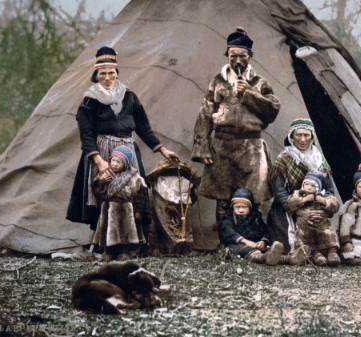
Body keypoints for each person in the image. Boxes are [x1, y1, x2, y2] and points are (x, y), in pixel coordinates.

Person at [67, 46, 178, 232]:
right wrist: (100, 162)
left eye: (111, 73)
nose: (107, 78)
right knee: (104, 193)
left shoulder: (130, 97)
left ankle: (132, 239)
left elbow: (143, 127)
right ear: (96, 76)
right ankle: (103, 241)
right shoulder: (89, 101)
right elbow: (86, 136)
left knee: (133, 191)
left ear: (117, 74)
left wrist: (162, 150)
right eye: (102, 74)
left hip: (128, 152)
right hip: (102, 151)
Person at [192, 27, 281, 223]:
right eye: (233, 56)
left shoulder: (260, 82)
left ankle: (252, 239)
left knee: (251, 196)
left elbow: (272, 111)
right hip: (222, 145)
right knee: (223, 197)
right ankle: (226, 241)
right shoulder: (218, 82)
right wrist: (203, 148)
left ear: (250, 56)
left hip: (251, 147)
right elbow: (205, 114)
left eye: (242, 56)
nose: (238, 61)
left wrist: (249, 93)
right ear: (227, 56)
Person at [267, 118, 334, 254]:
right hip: (288, 209)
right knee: (288, 246)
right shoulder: (283, 160)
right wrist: (297, 209)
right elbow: (279, 191)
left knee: (324, 242)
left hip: (315, 207)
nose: (302, 140)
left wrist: (322, 208)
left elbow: (330, 190)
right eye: (298, 135)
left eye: (306, 135)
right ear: (291, 137)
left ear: (311, 137)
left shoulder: (320, 160)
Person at [218, 187, 305, 265]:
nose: (241, 210)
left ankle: (290, 259)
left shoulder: (255, 218)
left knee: (269, 250)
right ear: (232, 208)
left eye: (244, 207)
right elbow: (229, 233)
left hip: (255, 245)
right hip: (236, 246)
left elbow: (265, 231)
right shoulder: (228, 220)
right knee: (240, 249)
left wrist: (263, 241)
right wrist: (246, 242)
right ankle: (263, 258)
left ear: (250, 208)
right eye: (237, 207)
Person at [92, 145, 146, 259]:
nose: (115, 164)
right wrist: (101, 182)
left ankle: (124, 252)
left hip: (125, 208)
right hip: (108, 207)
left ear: (125, 164)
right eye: (113, 160)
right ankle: (108, 252)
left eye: (119, 162)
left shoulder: (132, 176)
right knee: (107, 229)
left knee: (125, 231)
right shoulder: (105, 173)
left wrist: (139, 211)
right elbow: (97, 191)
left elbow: (140, 195)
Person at [286, 172, 341, 266]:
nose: (309, 187)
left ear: (318, 188)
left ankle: (332, 253)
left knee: (329, 233)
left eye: (313, 185)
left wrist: (323, 201)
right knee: (304, 236)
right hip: (305, 225)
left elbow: (335, 205)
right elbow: (291, 204)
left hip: (322, 225)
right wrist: (305, 199)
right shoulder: (298, 195)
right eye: (306, 184)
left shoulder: (323, 196)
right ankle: (316, 255)